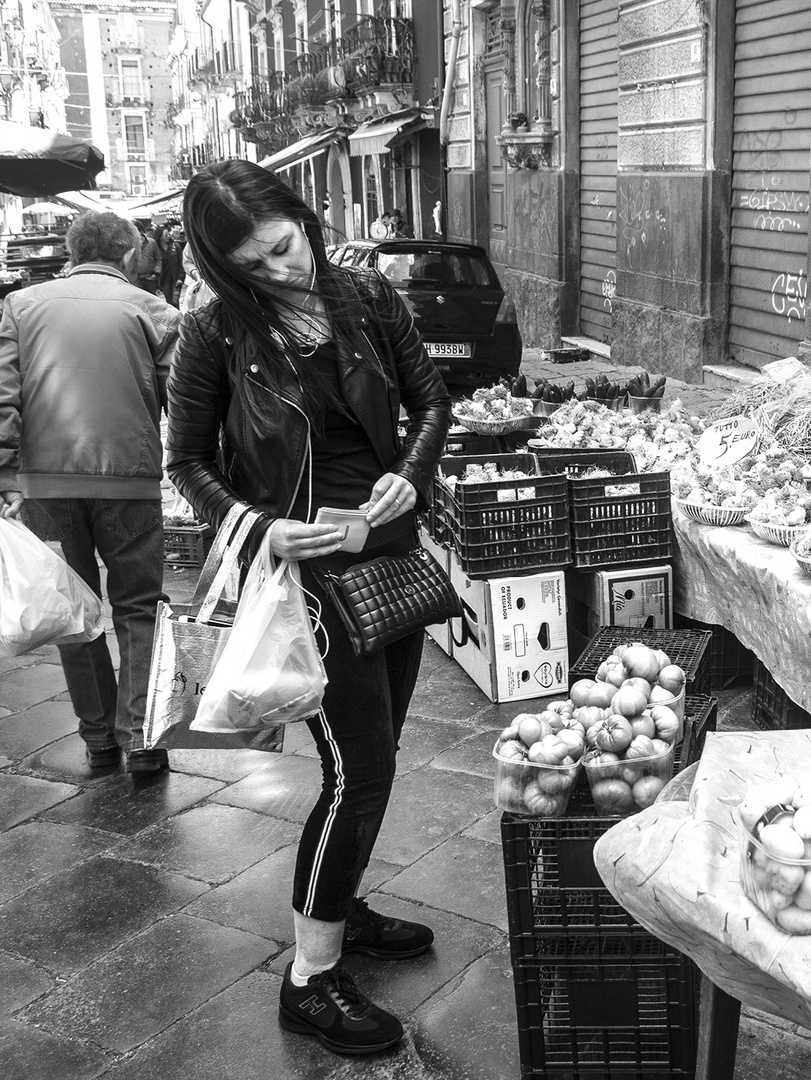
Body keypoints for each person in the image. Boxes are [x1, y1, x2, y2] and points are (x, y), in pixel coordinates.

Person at [168, 160, 450, 1056]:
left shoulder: (366, 297)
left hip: (386, 554)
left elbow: (431, 404)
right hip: (302, 579)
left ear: (303, 218)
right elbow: (186, 461)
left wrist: (408, 480)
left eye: (285, 245)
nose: (282, 269)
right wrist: (259, 528)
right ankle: (311, 979)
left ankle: (344, 905)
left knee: (380, 754)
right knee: (357, 770)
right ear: (225, 269)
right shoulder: (213, 331)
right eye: (255, 263)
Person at [0, 211, 179, 774]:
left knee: (71, 611)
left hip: (46, 485)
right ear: (128, 253)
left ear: (72, 252)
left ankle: (99, 737)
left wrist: (5, 477)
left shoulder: (20, 307)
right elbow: (189, 403)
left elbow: (3, 397)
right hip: (129, 479)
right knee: (139, 610)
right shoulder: (155, 311)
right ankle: (144, 741)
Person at [133, 221, 162, 294]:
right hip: (136, 279)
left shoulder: (152, 242)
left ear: (141, 231)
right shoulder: (130, 244)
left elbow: (159, 259)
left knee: (151, 301)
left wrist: (156, 273)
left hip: (150, 278)